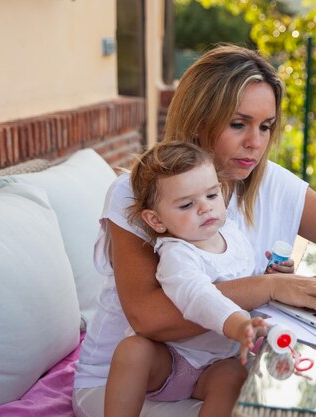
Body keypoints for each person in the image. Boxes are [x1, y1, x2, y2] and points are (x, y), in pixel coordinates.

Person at [73, 43, 316, 417]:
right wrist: (268, 287)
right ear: (199, 122)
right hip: (125, 385)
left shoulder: (271, 184)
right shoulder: (140, 193)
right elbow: (148, 318)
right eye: (238, 124)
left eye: (266, 126)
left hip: (217, 376)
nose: (256, 142)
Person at [104, 141, 280, 417]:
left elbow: (249, 279)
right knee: (133, 351)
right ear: (156, 220)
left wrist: (271, 276)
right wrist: (237, 324)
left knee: (234, 377)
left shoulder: (233, 235)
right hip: (171, 360)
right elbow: (198, 296)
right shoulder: (176, 254)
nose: (204, 209)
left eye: (211, 196)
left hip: (217, 364)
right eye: (186, 204)